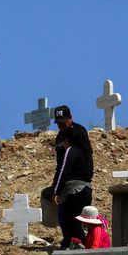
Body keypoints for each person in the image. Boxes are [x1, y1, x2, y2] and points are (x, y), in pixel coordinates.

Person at [46, 105, 93, 246]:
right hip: (81, 188)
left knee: (69, 220)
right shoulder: (62, 137)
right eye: (59, 122)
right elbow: (60, 166)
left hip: (73, 188)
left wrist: (56, 190)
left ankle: (73, 245)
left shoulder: (73, 147)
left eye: (63, 122)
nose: (61, 125)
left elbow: (64, 169)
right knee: (72, 221)